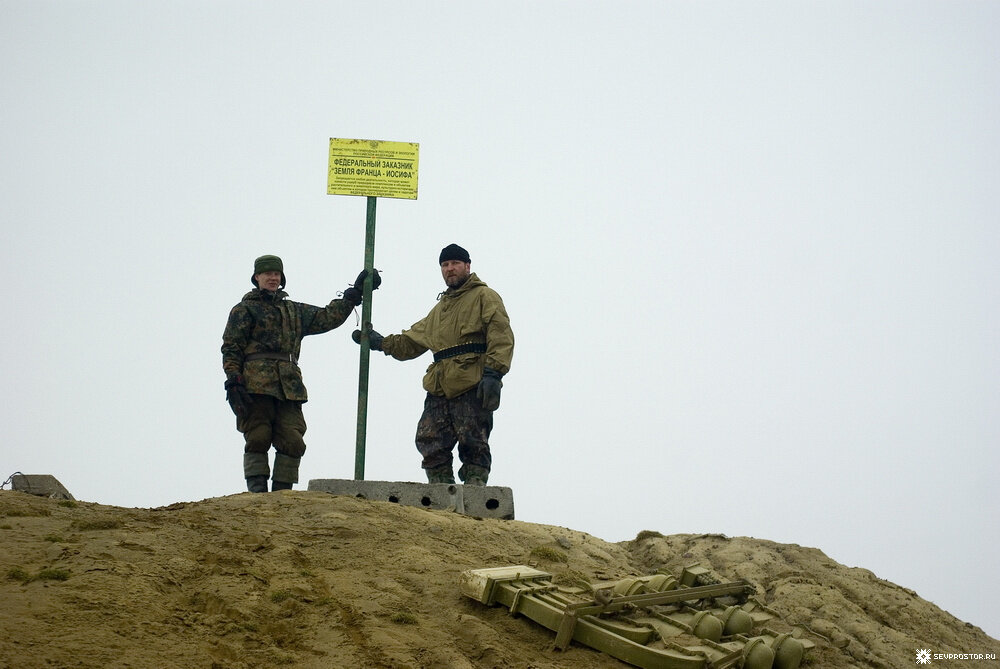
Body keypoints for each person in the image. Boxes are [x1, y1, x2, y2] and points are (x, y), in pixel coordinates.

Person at [353, 244, 513, 485]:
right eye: (445, 265)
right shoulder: (439, 310)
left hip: (472, 382)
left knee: (473, 442)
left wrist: (494, 373)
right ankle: (441, 491)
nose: (450, 269)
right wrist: (380, 343)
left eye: (455, 264)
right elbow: (411, 341)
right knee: (429, 438)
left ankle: (475, 493)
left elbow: (501, 335)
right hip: (440, 387)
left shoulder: (484, 297)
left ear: (467, 266)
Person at [222, 254, 379, 493]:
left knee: (292, 439)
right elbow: (231, 346)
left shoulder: (293, 311)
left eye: (277, 274)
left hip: (289, 386)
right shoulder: (244, 310)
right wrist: (233, 379)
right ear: (256, 278)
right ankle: (257, 495)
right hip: (255, 383)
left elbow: (327, 317)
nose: (273, 278)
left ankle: (283, 495)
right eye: (268, 274)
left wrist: (353, 295)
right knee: (258, 436)